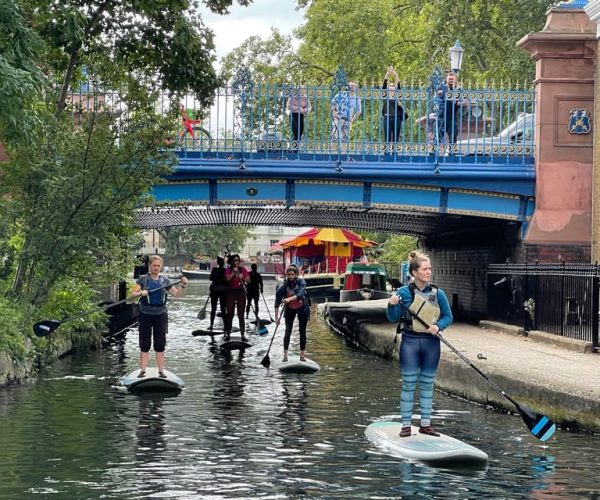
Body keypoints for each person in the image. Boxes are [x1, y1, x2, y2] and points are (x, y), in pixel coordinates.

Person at [386, 251, 453, 437]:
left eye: (430, 268)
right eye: (425, 269)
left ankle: (425, 424)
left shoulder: (438, 293)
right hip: (410, 343)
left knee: (427, 384)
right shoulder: (403, 293)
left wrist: (438, 326)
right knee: (408, 384)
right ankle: (406, 425)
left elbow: (448, 316)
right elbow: (392, 318)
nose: (429, 272)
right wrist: (391, 305)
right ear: (415, 273)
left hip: (431, 344)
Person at [130, 255, 188, 378]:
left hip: (160, 314)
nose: (156, 268)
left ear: (160, 267)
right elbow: (133, 294)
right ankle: (143, 370)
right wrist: (141, 293)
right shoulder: (143, 279)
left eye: (158, 266)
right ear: (150, 266)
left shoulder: (165, 281)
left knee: (160, 343)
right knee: (145, 343)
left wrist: (183, 285)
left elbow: (177, 295)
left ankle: (161, 371)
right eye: (154, 265)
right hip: (145, 314)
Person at [274, 264, 310, 362]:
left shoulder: (302, 282)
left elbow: (300, 294)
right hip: (290, 309)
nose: (290, 277)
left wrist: (289, 299)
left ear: (296, 275)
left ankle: (302, 356)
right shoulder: (283, 286)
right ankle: (285, 356)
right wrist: (276, 318)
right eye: (288, 275)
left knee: (302, 332)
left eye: (292, 274)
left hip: (303, 308)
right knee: (288, 331)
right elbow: (277, 302)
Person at [436, 72, 468, 145]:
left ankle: (452, 152)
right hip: (441, 115)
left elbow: (466, 102)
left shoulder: (459, 90)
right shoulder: (442, 87)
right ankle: (434, 151)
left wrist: (458, 103)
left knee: (453, 135)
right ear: (446, 79)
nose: (451, 80)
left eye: (452, 79)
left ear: (456, 80)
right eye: (449, 79)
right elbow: (439, 93)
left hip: (453, 116)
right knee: (438, 135)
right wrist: (448, 93)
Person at [224, 254, 250, 342]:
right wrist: (234, 273)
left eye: (238, 260)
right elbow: (227, 279)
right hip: (231, 292)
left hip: (241, 293)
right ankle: (228, 334)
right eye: (235, 260)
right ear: (232, 262)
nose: (237, 262)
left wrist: (243, 277)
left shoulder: (243, 270)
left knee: (241, 315)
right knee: (230, 314)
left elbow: (249, 280)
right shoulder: (228, 270)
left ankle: (242, 335)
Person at [381, 66, 408, 144]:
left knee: (396, 137)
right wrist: (388, 73)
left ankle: (394, 153)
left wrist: (395, 74)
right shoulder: (385, 95)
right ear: (388, 88)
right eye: (390, 86)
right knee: (387, 137)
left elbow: (399, 85)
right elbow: (383, 86)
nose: (392, 87)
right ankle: (386, 153)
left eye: (393, 86)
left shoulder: (398, 95)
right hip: (387, 117)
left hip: (397, 118)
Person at [209, 256, 228, 330]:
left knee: (213, 309)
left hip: (215, 291)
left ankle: (211, 325)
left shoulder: (214, 269)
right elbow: (227, 281)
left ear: (218, 263)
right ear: (223, 263)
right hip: (223, 291)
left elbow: (211, 278)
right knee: (223, 309)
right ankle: (225, 326)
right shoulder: (225, 270)